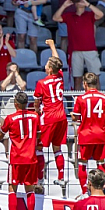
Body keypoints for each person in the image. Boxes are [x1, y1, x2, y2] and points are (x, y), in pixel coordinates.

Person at [0, 91, 39, 210]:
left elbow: (0, 134)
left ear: (15, 104)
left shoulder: (10, 118)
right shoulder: (35, 116)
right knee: (30, 189)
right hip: (31, 158)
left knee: (12, 189)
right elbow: (39, 133)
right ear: (27, 104)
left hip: (16, 159)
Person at [71, 73, 105, 193]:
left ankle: (84, 191)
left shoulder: (81, 98)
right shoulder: (104, 98)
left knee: (83, 163)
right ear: (96, 83)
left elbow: (76, 118)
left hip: (86, 134)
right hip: (100, 134)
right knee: (101, 163)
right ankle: (101, 190)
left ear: (84, 84)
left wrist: (74, 116)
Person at [34, 42, 67, 188]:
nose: (45, 65)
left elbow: (36, 101)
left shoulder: (41, 83)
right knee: (57, 148)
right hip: (61, 117)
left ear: (50, 69)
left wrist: (36, 111)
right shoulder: (60, 77)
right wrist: (53, 46)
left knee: (39, 147)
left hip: (48, 117)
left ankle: (40, 179)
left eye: (47, 64)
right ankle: (61, 177)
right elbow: (57, 60)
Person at [52, 0, 102, 90]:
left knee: (95, 77)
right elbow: (55, 18)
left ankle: (97, 98)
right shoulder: (70, 15)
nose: (79, 2)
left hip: (90, 49)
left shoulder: (89, 14)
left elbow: (100, 14)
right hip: (75, 50)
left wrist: (87, 4)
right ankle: (77, 102)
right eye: (77, 0)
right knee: (77, 78)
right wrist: (64, 5)